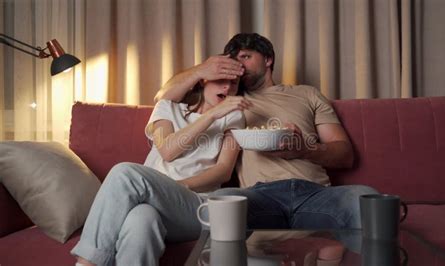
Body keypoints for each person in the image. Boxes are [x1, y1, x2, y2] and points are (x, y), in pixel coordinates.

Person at [156, 33, 378, 231]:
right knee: (221, 202)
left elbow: (345, 154)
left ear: (268, 59)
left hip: (314, 193)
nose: (238, 67)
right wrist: (200, 70)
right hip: (259, 195)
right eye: (232, 63)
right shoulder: (228, 100)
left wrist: (305, 150)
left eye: (245, 57)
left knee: (365, 197)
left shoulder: (307, 94)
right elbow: (163, 96)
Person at [71, 71, 251, 265]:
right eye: (222, 79)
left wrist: (177, 187)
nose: (228, 87)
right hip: (151, 201)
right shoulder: (167, 107)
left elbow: (224, 170)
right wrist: (210, 115)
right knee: (141, 220)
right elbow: (168, 150)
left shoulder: (233, 117)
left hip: (196, 206)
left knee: (124, 173)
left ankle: (86, 263)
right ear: (204, 79)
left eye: (234, 83)